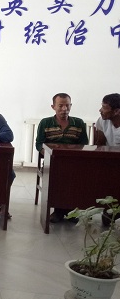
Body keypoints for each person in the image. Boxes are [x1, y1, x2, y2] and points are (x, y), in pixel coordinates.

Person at [35, 93, 88, 223]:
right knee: (57, 175)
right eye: (60, 106)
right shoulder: (45, 122)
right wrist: (48, 154)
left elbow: (84, 144)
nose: (64, 109)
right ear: (53, 107)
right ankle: (61, 211)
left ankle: (68, 209)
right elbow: (39, 144)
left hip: (73, 162)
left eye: (67, 105)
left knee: (77, 176)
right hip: (53, 161)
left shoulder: (78, 123)